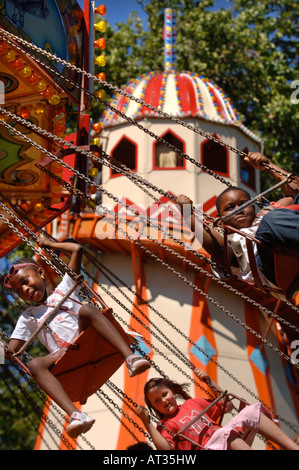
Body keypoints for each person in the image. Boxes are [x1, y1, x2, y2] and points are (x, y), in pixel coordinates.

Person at [5, 237, 150, 439]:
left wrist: (49, 245)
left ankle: (130, 358)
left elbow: (76, 249)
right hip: (63, 355)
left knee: (86, 309)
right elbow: (11, 350)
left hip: (85, 333)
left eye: (25, 282)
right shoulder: (29, 316)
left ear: (40, 272)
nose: (26, 290)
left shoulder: (65, 286)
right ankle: (76, 415)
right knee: (36, 364)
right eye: (20, 291)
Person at [175, 152, 299, 292]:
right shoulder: (230, 238)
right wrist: (187, 215)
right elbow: (218, 249)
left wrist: (269, 166)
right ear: (220, 220)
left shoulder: (265, 214)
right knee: (270, 222)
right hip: (269, 267)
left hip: (289, 244)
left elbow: (295, 191)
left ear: (253, 207)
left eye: (243, 204)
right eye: (230, 208)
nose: (238, 210)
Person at [137, 369, 299, 450]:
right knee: (222, 434)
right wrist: (147, 423)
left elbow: (226, 405)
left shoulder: (192, 404)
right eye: (157, 401)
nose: (163, 401)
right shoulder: (165, 424)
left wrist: (209, 381)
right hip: (210, 446)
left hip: (228, 441)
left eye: (164, 394)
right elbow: (166, 449)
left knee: (251, 411)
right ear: (153, 407)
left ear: (173, 391)